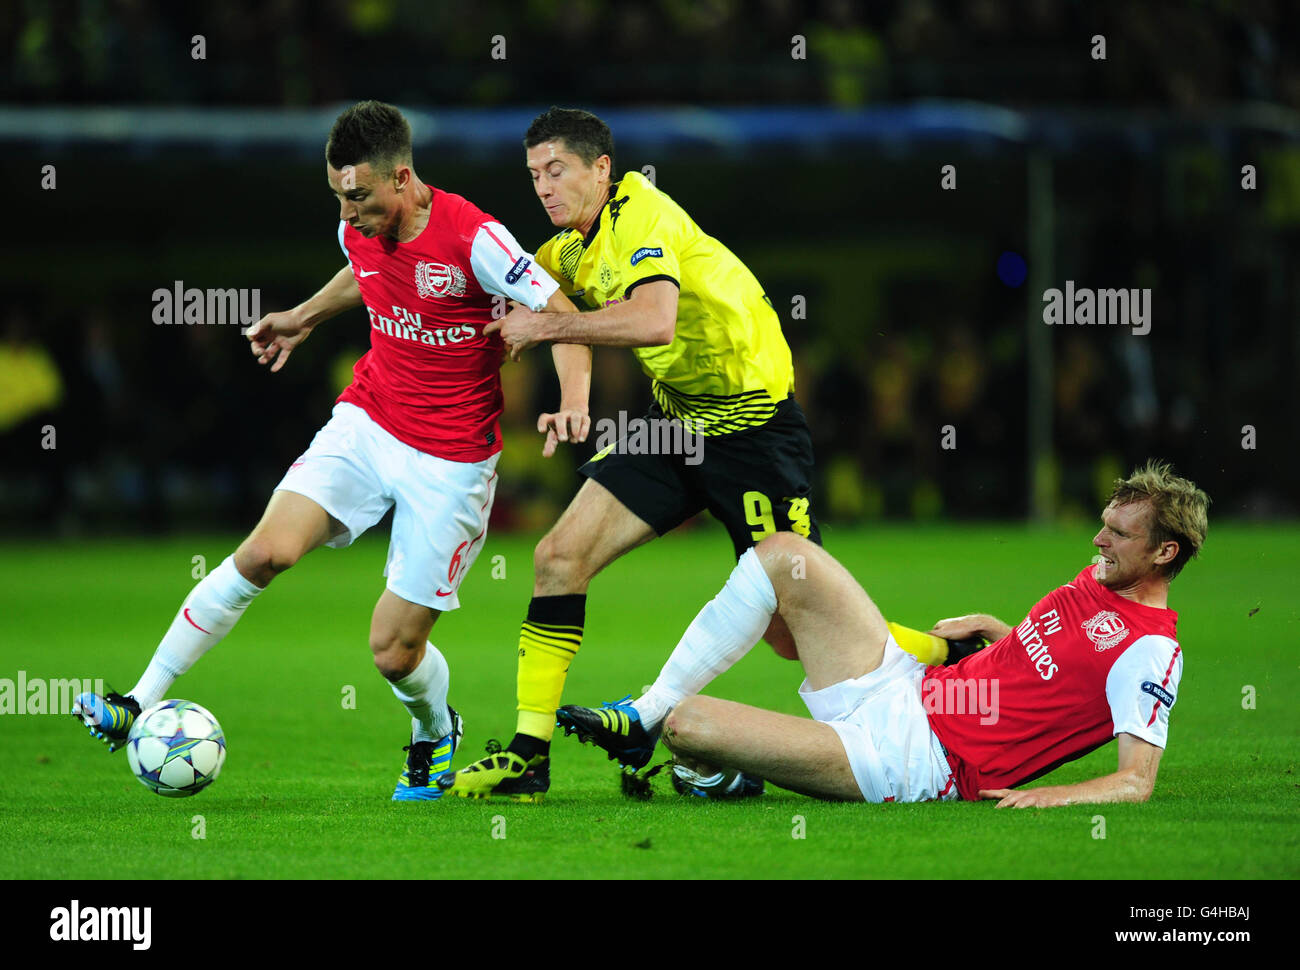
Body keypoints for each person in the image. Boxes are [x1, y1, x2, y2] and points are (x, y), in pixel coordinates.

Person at [72, 100, 592, 801]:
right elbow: (364, 269)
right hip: (368, 422)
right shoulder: (359, 224)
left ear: (402, 178)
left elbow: (566, 317)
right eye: (338, 197)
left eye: (359, 197)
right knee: (264, 553)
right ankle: (139, 698)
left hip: (452, 460)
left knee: (392, 651)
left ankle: (436, 732)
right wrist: (303, 318)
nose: (348, 213)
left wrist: (574, 400)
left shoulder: (477, 239)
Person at [437, 106, 823, 801]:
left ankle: (947, 654)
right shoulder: (565, 250)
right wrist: (576, 397)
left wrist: (550, 323)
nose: (544, 188)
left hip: (754, 430)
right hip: (673, 422)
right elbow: (552, 315)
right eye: (533, 176)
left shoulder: (644, 213)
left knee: (797, 631)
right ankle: (528, 757)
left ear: (602, 169)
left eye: (557, 170)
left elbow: (653, 320)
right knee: (558, 557)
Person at [560, 461, 1207, 806]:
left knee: (690, 724)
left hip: (916, 762)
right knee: (784, 555)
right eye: (1104, 524)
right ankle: (644, 714)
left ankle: (714, 769)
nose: (1098, 539)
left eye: (1119, 534)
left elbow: (1136, 780)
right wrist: (999, 629)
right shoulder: (1102, 578)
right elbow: (1066, 668)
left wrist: (1053, 798)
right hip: (909, 684)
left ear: (1163, 554)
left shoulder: (1151, 649)